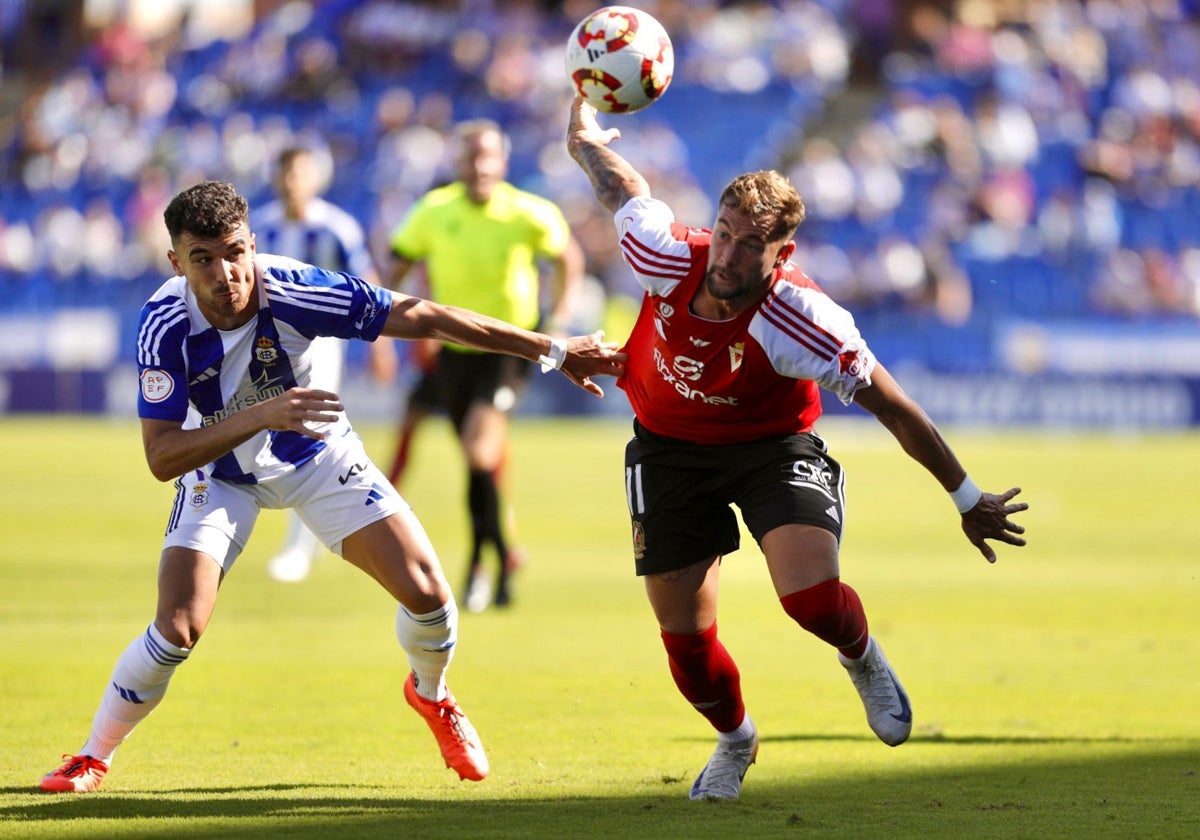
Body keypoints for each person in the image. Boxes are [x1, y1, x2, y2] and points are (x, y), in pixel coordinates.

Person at [38, 180, 623, 794]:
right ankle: (92, 756)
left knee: (430, 596)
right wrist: (262, 415)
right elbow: (162, 457)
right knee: (178, 627)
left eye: (234, 252)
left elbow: (423, 315)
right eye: (202, 259)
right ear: (176, 263)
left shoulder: (295, 289)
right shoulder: (163, 323)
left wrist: (553, 350)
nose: (225, 273)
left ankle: (432, 694)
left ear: (253, 246)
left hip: (317, 455)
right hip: (220, 471)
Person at [565, 97, 1028, 801]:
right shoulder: (662, 255)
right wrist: (584, 144)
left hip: (772, 448)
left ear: (784, 254)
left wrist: (966, 497)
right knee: (685, 644)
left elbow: (896, 408)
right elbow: (624, 190)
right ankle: (736, 740)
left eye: (750, 246)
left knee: (809, 599)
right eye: (723, 234)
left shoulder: (804, 318)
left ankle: (861, 655)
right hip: (667, 450)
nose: (727, 255)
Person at [389, 118, 584, 612]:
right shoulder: (434, 211)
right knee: (478, 464)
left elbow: (569, 259)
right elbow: (395, 265)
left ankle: (477, 569)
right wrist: (406, 321)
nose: (479, 166)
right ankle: (501, 566)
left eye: (487, 156)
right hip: (453, 353)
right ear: (457, 163)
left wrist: (558, 319)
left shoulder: (527, 212)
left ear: (502, 161)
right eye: (470, 157)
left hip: (509, 351)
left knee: (479, 453)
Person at [253, 145, 394, 583]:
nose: (294, 181)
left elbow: (367, 287)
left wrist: (380, 344)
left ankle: (300, 546)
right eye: (287, 172)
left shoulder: (336, 227)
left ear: (316, 178)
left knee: (310, 428)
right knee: (261, 431)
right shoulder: (261, 227)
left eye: (302, 172)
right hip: (265, 346)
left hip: (321, 343)